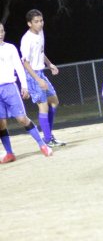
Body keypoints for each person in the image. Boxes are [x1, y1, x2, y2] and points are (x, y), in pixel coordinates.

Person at [0, 23, 53, 162]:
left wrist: (24, 86)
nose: (0, 33)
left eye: (2, 31)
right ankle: (9, 153)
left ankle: (43, 145)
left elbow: (19, 67)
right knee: (1, 124)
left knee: (22, 119)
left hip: (10, 88)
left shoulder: (10, 48)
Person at [20, 8, 65, 147]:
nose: (40, 24)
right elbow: (25, 62)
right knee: (43, 107)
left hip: (41, 73)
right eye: (36, 21)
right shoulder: (27, 39)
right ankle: (48, 139)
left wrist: (50, 64)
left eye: (41, 20)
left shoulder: (40, 33)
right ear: (29, 23)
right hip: (32, 75)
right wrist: (38, 80)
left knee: (54, 101)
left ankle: (48, 136)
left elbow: (41, 52)